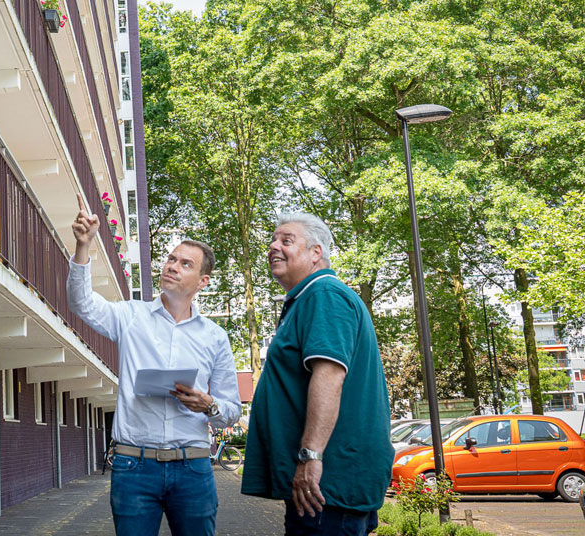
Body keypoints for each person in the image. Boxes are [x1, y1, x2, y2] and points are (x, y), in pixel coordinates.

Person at [68, 195, 241, 536]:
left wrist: (209, 405)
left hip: (193, 468)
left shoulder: (215, 337)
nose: (172, 266)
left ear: (203, 282)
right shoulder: (131, 316)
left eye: (185, 264)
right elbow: (81, 303)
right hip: (133, 467)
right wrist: (83, 246)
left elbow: (231, 409)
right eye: (171, 259)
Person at [240, 213, 391, 536]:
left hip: (325, 488)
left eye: (286, 240)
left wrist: (310, 456)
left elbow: (330, 376)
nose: (273, 246)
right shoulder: (309, 298)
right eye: (273, 239)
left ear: (315, 253)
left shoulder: (323, 295)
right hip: (326, 489)